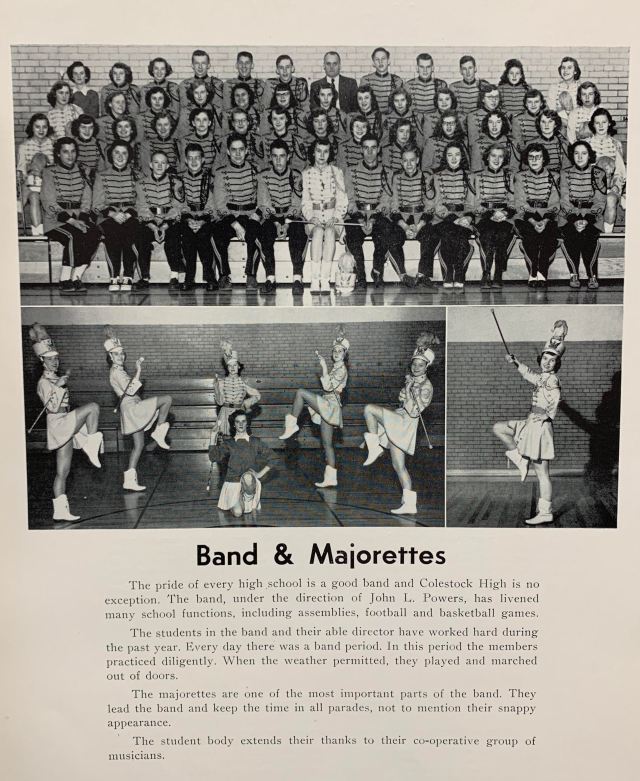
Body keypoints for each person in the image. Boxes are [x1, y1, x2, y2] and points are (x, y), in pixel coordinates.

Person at [492, 321, 568, 525]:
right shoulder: (542, 377)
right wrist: (515, 361)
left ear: (556, 363)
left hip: (540, 428)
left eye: (552, 360)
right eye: (545, 358)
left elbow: (556, 396)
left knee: (542, 474)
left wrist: (548, 415)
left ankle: (545, 511)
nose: (547, 362)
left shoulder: (552, 380)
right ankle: (519, 458)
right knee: (499, 428)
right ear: (541, 359)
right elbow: (529, 375)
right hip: (530, 423)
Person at [30, 324, 103, 522]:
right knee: (93, 407)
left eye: (56, 358)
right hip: (57, 423)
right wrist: (59, 386)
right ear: (42, 360)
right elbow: (52, 406)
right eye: (50, 359)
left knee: (63, 471)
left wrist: (60, 382)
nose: (55, 362)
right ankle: (90, 444)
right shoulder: (43, 382)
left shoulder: (55, 378)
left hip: (64, 422)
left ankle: (60, 510)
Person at [362, 332, 437, 515]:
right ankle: (410, 504)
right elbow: (402, 401)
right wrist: (406, 390)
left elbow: (413, 411)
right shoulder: (411, 381)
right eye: (414, 363)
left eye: (421, 364)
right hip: (399, 420)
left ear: (427, 366)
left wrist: (410, 390)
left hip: (406, 423)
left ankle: (375, 448)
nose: (416, 367)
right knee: (398, 466)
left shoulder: (427, 387)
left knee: (369, 409)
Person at [279, 327, 350, 489]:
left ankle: (292, 425)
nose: (337, 353)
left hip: (331, 404)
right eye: (335, 350)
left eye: (340, 351)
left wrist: (323, 367)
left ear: (345, 354)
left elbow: (327, 386)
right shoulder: (336, 368)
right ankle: (331, 477)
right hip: (329, 404)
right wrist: (326, 367)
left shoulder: (342, 370)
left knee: (301, 393)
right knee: (327, 444)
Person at [104, 327, 173, 492]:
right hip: (131, 406)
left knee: (139, 445)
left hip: (130, 407)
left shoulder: (119, 370)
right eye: (116, 354)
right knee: (166, 400)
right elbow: (131, 389)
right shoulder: (115, 372)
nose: (121, 357)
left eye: (122, 354)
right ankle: (158, 431)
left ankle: (129, 480)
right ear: (110, 356)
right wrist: (139, 370)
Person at [40, 136, 101, 294]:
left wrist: (81, 218)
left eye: (73, 151)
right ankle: (65, 278)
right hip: (55, 220)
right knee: (74, 235)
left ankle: (77, 276)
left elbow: (87, 198)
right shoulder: (49, 172)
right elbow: (48, 202)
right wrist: (72, 221)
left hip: (79, 216)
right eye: (65, 152)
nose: (70, 155)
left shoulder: (83, 171)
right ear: (58, 154)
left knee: (94, 232)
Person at [344, 133, 399, 289]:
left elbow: (386, 201)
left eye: (373, 148)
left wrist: (373, 218)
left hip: (377, 215)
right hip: (357, 215)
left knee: (385, 229)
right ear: (361, 150)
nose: (369, 152)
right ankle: (360, 276)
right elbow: (349, 199)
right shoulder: (351, 171)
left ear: (379, 149)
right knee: (353, 233)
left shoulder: (388, 173)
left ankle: (377, 271)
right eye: (366, 148)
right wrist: (360, 219)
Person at [256, 139, 306, 295]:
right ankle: (270, 278)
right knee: (264, 230)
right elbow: (264, 203)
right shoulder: (263, 176)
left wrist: (287, 223)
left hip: (291, 216)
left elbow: (297, 204)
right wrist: (278, 224)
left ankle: (297, 278)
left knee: (299, 230)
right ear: (270, 157)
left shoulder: (296, 176)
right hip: (272, 216)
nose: (278, 160)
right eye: (275, 156)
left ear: (288, 156)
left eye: (282, 156)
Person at [211, 134, 261, 290]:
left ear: (246, 151)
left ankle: (251, 275)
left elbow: (263, 197)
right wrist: (235, 224)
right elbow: (220, 204)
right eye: (234, 150)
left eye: (241, 150)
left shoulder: (256, 171)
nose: (238, 154)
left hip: (250, 214)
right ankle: (224, 275)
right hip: (229, 216)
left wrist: (257, 214)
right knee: (216, 234)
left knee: (257, 232)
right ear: (227, 151)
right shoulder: (220, 173)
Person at [301, 138, 348, 293]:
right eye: (318, 151)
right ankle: (315, 279)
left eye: (326, 151)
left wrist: (336, 216)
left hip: (333, 216)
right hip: (313, 217)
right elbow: (305, 201)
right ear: (313, 152)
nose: (322, 155)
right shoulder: (306, 173)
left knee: (328, 232)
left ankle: (325, 279)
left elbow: (342, 199)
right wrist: (310, 217)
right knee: (318, 231)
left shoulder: (337, 172)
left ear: (330, 153)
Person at [92, 141, 141, 292]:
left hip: (130, 215)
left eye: (124, 153)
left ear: (129, 156)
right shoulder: (101, 176)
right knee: (112, 233)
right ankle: (113, 275)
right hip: (108, 216)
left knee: (130, 231)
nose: (120, 156)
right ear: (111, 155)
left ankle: (128, 275)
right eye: (116, 153)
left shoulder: (137, 175)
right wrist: (113, 214)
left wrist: (128, 213)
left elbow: (141, 201)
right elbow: (96, 204)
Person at [559, 140, 607, 289]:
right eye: (576, 153)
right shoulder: (565, 174)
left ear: (590, 155)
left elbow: (600, 201)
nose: (580, 157)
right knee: (571, 236)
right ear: (572, 156)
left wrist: (587, 219)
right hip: (569, 215)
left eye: (584, 153)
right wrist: (574, 219)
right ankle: (574, 273)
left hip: (592, 215)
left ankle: (592, 274)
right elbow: (564, 200)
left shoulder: (599, 173)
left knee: (589, 238)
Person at [209, 410, 275, 517]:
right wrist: (212, 436)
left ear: (247, 423)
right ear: (234, 424)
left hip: (249, 482)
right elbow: (213, 457)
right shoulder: (229, 443)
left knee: (248, 477)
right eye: (237, 421)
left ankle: (247, 496)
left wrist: (260, 474)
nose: (240, 424)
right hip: (233, 482)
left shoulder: (255, 442)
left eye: (243, 421)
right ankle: (237, 500)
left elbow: (274, 458)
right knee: (238, 513)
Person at [135, 150, 184, 291]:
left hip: (169, 223)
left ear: (168, 166)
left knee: (174, 237)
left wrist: (164, 226)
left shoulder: (175, 183)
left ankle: (174, 276)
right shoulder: (141, 184)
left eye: (163, 163)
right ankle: (144, 277)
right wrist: (154, 226)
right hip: (150, 223)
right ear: (150, 164)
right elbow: (142, 207)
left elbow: (177, 207)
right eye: (156, 162)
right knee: (141, 237)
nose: (159, 166)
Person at [387, 144, 434, 288]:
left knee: (430, 235)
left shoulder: (426, 177)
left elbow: (430, 206)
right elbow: (394, 207)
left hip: (420, 218)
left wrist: (419, 226)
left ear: (418, 160)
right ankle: (403, 275)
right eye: (405, 161)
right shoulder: (396, 178)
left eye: (412, 160)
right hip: (403, 219)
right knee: (392, 237)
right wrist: (405, 226)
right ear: (401, 161)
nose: (409, 164)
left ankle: (422, 274)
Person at [514, 143, 561, 287]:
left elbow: (555, 203)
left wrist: (545, 220)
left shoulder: (554, 176)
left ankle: (542, 273)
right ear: (526, 159)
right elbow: (520, 202)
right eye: (531, 157)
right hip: (526, 216)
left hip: (548, 216)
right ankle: (533, 273)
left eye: (538, 157)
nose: (534, 160)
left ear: (544, 159)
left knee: (549, 236)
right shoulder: (520, 177)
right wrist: (534, 222)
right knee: (531, 236)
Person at [471, 143, 517, 288]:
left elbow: (514, 201)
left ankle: (498, 273)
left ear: (504, 159)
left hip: (504, 217)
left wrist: (504, 213)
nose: (496, 160)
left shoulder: (509, 177)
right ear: (487, 157)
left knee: (504, 234)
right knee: (488, 235)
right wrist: (490, 213)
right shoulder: (477, 177)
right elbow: (473, 204)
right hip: (485, 217)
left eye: (500, 156)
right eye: (493, 156)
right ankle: (486, 273)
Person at [432, 142, 476, 290]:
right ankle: (449, 272)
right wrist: (453, 218)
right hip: (444, 218)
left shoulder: (469, 176)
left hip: (464, 217)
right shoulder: (437, 176)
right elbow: (437, 204)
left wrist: (468, 218)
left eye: (457, 154)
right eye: (450, 155)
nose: (453, 158)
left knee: (461, 236)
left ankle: (459, 272)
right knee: (448, 234)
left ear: (462, 156)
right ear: (445, 157)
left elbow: (471, 203)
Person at [179, 143, 217, 292]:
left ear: (203, 160)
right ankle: (189, 278)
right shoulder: (180, 180)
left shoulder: (210, 180)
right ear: (186, 161)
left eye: (197, 158)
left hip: (206, 218)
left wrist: (201, 221)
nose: (194, 162)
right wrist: (189, 220)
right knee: (187, 239)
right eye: (190, 158)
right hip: (187, 219)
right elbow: (179, 204)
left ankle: (210, 277)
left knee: (204, 237)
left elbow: (213, 204)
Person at [586, 108, 626, 232]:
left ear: (609, 123)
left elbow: (620, 171)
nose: (601, 126)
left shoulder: (616, 144)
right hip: (590, 187)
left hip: (610, 186)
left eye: (604, 122)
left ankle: (607, 235)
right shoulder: (586, 143)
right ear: (593, 125)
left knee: (610, 199)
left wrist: (616, 187)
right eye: (597, 123)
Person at [16, 113, 55, 236]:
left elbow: (55, 167)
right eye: (37, 127)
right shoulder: (24, 146)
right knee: (33, 197)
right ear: (32, 127)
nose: (41, 130)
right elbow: (21, 169)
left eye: (44, 127)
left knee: (40, 157)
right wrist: (25, 175)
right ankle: (37, 234)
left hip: (47, 182)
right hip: (30, 182)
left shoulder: (53, 145)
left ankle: (18, 205)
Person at [215, 340, 261, 436]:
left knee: (240, 439)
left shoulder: (243, 383)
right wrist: (217, 387)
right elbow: (219, 402)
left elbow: (257, 395)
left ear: (238, 367)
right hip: (225, 414)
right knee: (224, 439)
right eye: (230, 366)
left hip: (239, 413)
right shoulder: (222, 382)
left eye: (235, 365)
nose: (232, 368)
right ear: (227, 368)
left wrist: (246, 403)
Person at [360, 47, 403, 115]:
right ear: (373, 63)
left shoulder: (397, 80)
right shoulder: (366, 80)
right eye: (377, 59)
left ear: (388, 61)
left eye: (383, 58)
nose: (380, 62)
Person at [178, 49, 224, 113]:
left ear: (208, 65)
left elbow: (220, 110)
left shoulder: (217, 84)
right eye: (197, 63)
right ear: (192, 65)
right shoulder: (184, 85)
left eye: (203, 63)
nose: (200, 67)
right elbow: (183, 110)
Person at [405, 53, 448, 118]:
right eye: (422, 67)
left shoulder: (441, 85)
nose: (425, 70)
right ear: (417, 68)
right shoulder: (408, 85)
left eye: (428, 67)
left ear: (432, 68)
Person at [178, 107, 220, 172]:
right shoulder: (185, 141)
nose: (201, 123)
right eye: (198, 120)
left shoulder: (216, 141)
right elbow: (183, 166)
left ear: (209, 122)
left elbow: (218, 166)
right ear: (193, 123)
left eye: (204, 120)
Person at [511, 89, 546, 159]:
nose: (533, 105)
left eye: (536, 102)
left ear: (541, 103)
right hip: (527, 156)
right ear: (526, 104)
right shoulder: (517, 119)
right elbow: (518, 143)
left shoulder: (547, 117)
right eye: (530, 102)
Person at [547, 56, 582, 124]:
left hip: (577, 125)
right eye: (563, 68)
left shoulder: (581, 88)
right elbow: (552, 111)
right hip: (559, 124)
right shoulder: (554, 88)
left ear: (575, 71)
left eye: (569, 68)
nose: (565, 71)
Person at [532, 109, 569, 173]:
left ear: (555, 124)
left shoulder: (563, 144)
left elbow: (567, 169)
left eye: (550, 121)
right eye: (543, 122)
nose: (546, 125)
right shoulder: (531, 144)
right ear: (539, 124)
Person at [70, 114, 104, 182]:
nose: (87, 131)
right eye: (83, 127)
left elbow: (102, 169)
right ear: (77, 128)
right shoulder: (71, 144)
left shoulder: (99, 144)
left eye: (90, 128)